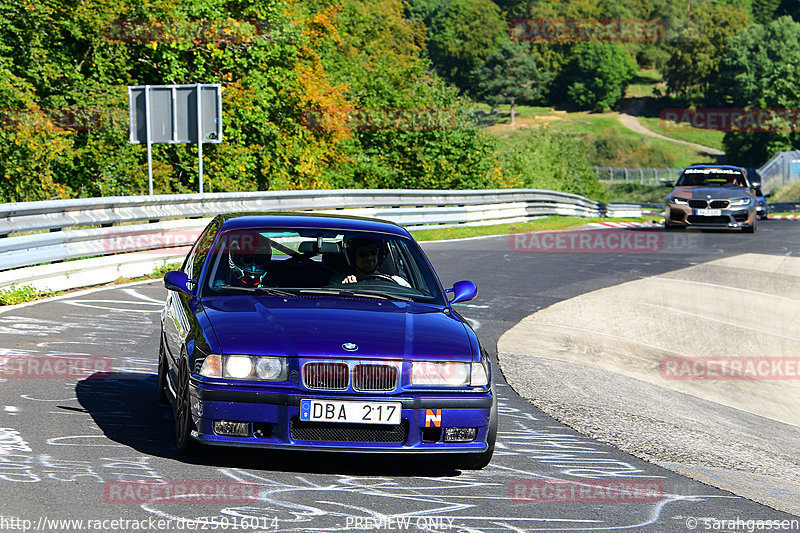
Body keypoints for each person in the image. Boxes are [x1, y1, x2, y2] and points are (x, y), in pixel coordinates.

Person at [336, 237, 410, 287]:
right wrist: (345, 288)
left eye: (373, 252)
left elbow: (413, 298)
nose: (369, 257)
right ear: (353, 257)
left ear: (379, 254)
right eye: (363, 253)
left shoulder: (395, 281)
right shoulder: (340, 281)